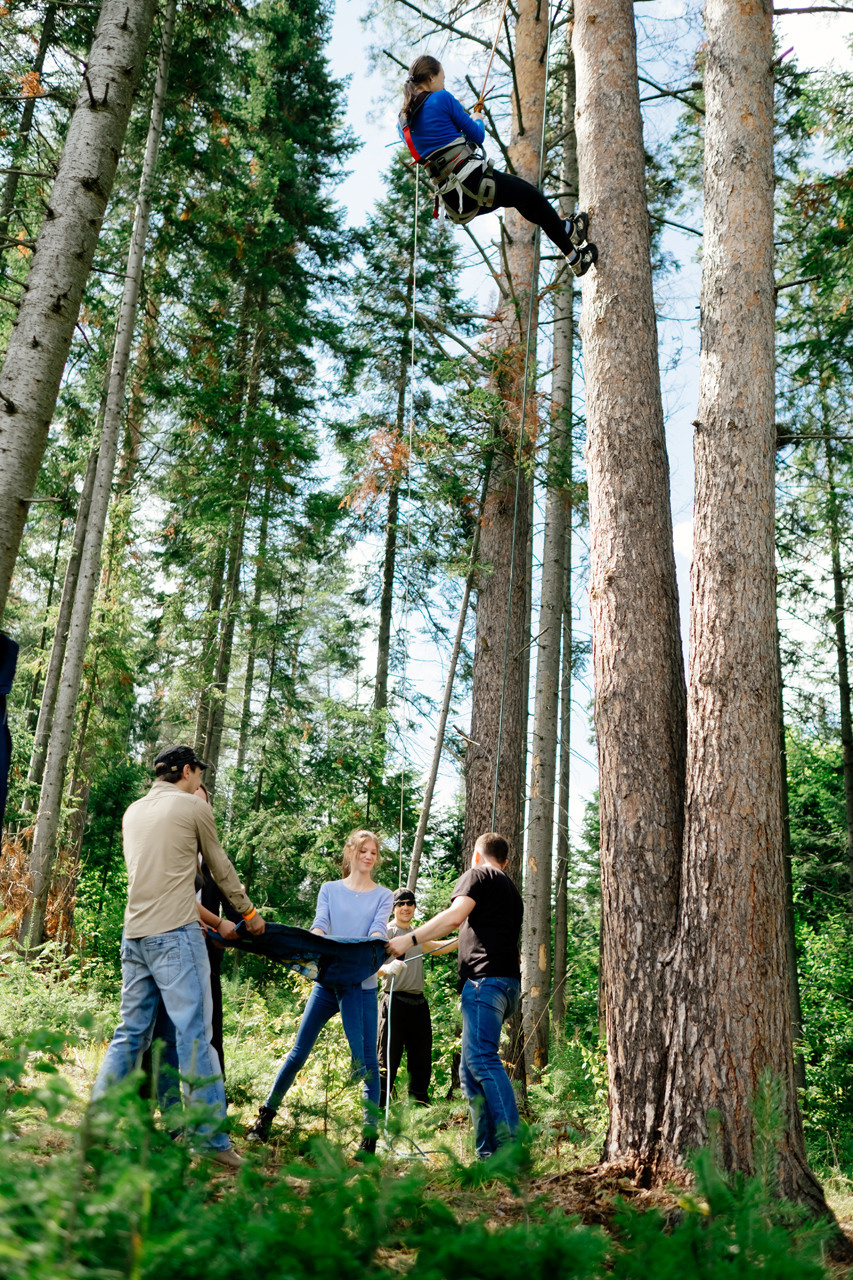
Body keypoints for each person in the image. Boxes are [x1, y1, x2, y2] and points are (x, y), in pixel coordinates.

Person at [90, 745, 265, 1170]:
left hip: (135, 935)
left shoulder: (133, 812)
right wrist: (248, 913)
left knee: (130, 1034)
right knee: (194, 1036)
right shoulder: (193, 807)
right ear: (187, 771)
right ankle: (211, 1139)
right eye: (198, 773)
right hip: (175, 936)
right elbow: (220, 867)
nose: (200, 780)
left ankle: (95, 1130)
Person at [246, 829, 394, 1153]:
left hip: (362, 986)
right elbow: (320, 924)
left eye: (373, 852)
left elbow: (377, 931)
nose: (369, 857)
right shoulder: (329, 889)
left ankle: (369, 1140)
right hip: (327, 983)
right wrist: (314, 941)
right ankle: (265, 1118)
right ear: (351, 852)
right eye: (363, 851)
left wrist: (370, 952)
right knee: (298, 1053)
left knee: (368, 1061)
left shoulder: (384, 895)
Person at [387, 832, 523, 1159]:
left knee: (482, 1060)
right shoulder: (510, 891)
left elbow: (454, 917)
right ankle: (488, 1156)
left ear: (476, 855)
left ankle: (511, 1150)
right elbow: (465, 935)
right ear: (505, 861)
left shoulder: (478, 875)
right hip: (506, 986)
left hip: (484, 983)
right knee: (470, 1070)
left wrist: (408, 939)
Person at [398, 55, 598, 276]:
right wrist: (477, 117)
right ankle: (575, 258)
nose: (443, 85)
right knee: (533, 198)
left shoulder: (403, 123)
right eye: (442, 79)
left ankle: (570, 231)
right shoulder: (441, 99)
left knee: (523, 200)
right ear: (431, 77)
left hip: (454, 201)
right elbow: (477, 136)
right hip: (473, 181)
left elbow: (438, 147)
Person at [377, 887, 457, 1109]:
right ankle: (379, 1106)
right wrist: (386, 968)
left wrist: (463, 938)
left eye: (410, 903)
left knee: (421, 1057)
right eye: (401, 904)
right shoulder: (385, 932)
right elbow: (370, 967)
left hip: (418, 1003)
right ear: (393, 908)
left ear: (414, 907)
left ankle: (418, 1105)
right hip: (393, 1001)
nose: (406, 907)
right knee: (387, 1056)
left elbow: (438, 947)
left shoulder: (416, 935)